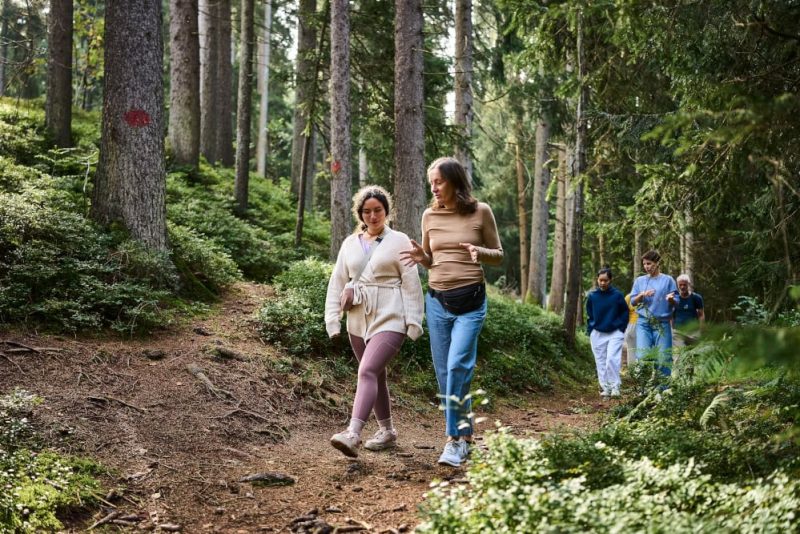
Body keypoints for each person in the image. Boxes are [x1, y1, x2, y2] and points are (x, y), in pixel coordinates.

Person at [401, 157, 503, 468]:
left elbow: (498, 255)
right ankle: (466, 435)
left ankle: (453, 441)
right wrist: (423, 258)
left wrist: (479, 252)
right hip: (437, 302)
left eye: (438, 181)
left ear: (455, 183)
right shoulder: (429, 215)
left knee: (459, 366)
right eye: (431, 181)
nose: (433, 187)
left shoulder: (480, 211)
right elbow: (433, 259)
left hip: (470, 303)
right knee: (445, 373)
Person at [324, 185, 424, 458]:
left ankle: (352, 433)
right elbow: (337, 282)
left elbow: (411, 282)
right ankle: (388, 431)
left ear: (386, 211)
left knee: (366, 370)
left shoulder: (400, 240)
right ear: (360, 214)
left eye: (377, 210)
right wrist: (333, 319)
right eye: (367, 211)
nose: (372, 216)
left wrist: (413, 321)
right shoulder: (349, 243)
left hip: (391, 315)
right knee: (375, 373)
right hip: (357, 317)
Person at [629, 250, 678, 376]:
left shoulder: (668, 280)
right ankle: (644, 388)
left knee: (663, 357)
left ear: (657, 263)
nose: (646, 267)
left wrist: (671, 299)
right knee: (643, 356)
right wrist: (641, 295)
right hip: (643, 322)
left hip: (662, 323)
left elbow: (677, 301)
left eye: (649, 264)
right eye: (644, 264)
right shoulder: (640, 281)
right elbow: (633, 302)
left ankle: (663, 389)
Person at [586, 267, 629, 398]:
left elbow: (625, 312)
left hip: (615, 332)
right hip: (597, 333)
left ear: (610, 280)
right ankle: (606, 388)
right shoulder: (593, 296)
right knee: (600, 361)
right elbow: (589, 313)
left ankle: (615, 387)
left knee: (611, 359)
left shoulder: (617, 295)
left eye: (605, 280)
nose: (603, 283)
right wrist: (591, 329)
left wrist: (621, 328)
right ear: (597, 280)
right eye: (600, 280)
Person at [672, 273, 705, 348]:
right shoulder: (674, 299)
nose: (682, 287)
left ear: (688, 284)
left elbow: (701, 314)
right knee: (679, 355)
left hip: (693, 332)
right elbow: (672, 316)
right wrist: (671, 329)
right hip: (678, 332)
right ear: (677, 285)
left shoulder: (696, 298)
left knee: (694, 354)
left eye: (684, 285)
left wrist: (702, 330)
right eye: (680, 285)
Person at [623, 293, 638, 366]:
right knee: (632, 349)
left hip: (638, 325)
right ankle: (634, 371)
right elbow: (623, 312)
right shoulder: (629, 297)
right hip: (632, 326)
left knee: (633, 350)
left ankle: (635, 371)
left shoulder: (648, 295)